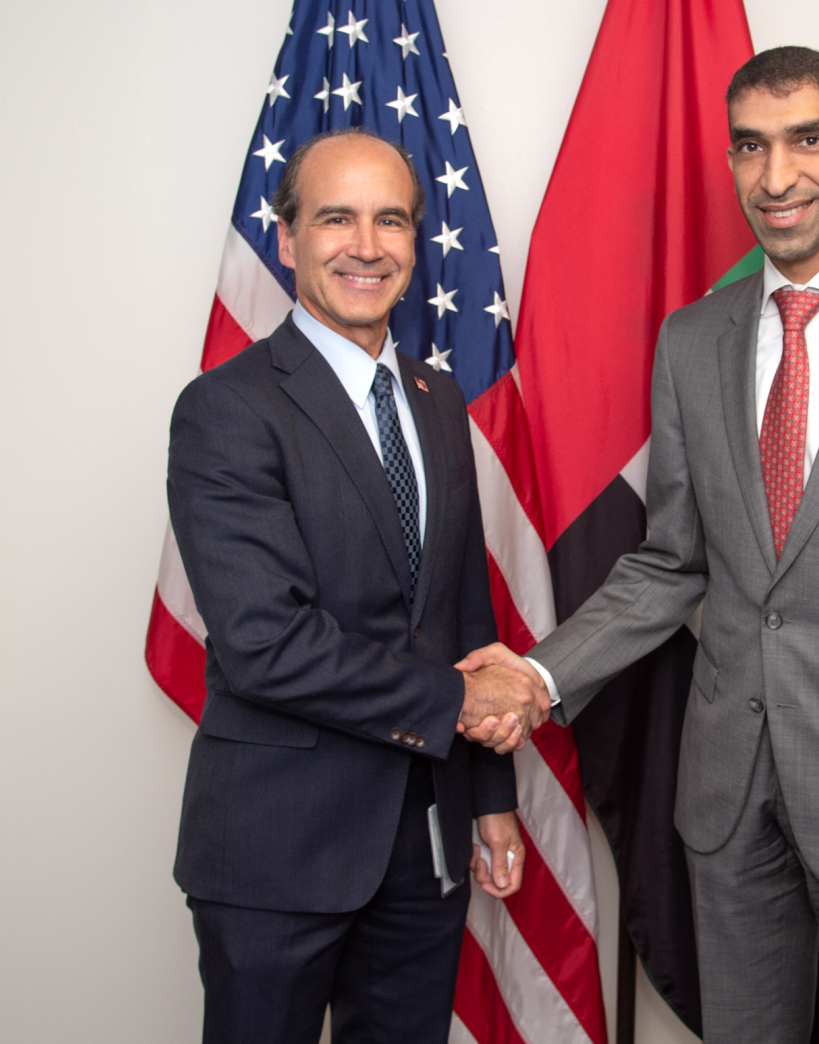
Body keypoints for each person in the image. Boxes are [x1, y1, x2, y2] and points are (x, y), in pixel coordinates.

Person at [461, 46, 819, 1043]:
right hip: (727, 796)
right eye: (751, 147)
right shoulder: (692, 341)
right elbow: (671, 560)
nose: (776, 177)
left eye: (806, 140)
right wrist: (539, 679)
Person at [167, 128, 551, 1044]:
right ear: (288, 234)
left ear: (418, 245)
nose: (366, 245)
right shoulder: (226, 408)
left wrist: (490, 794)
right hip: (277, 853)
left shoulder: (437, 399)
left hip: (423, 849)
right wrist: (466, 699)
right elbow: (266, 645)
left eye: (391, 221)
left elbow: (461, 612)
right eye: (336, 217)